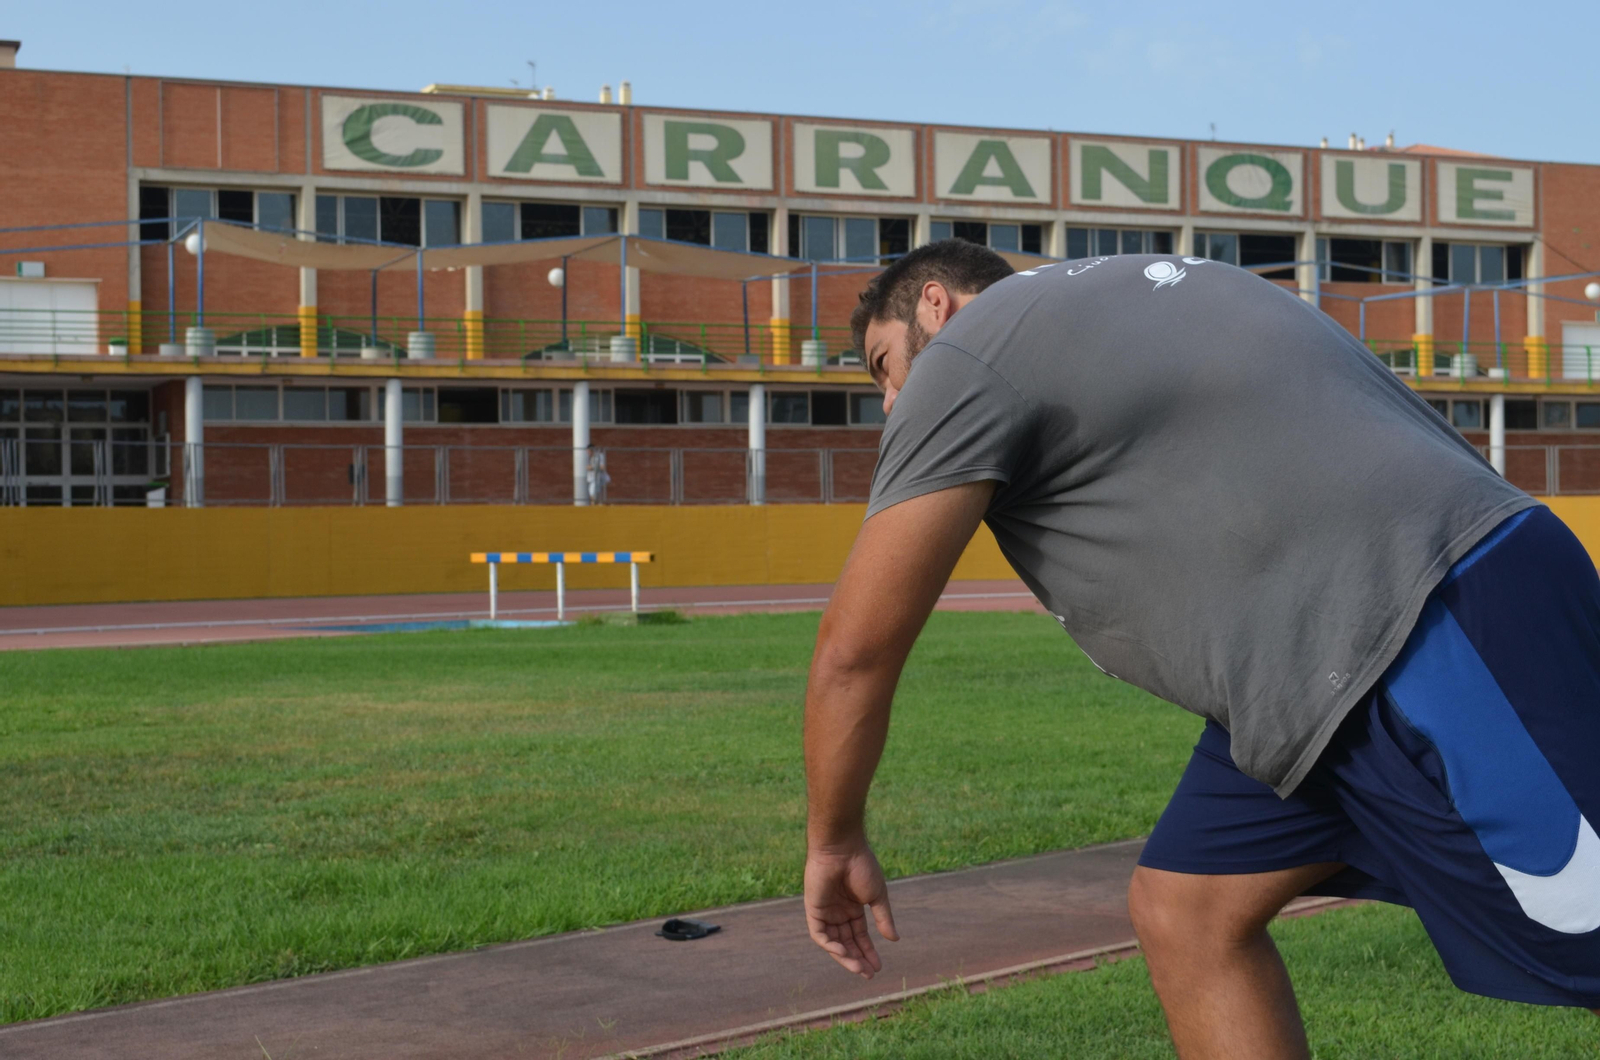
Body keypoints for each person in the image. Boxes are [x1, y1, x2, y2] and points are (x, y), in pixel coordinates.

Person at [802, 239, 1600, 1058]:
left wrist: (832, 841)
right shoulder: (1128, 289)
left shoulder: (970, 351)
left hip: (1416, 613)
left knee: (1588, 934)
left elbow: (854, 652)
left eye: (883, 367)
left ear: (934, 305)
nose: (894, 404)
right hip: (1306, 665)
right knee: (1186, 911)